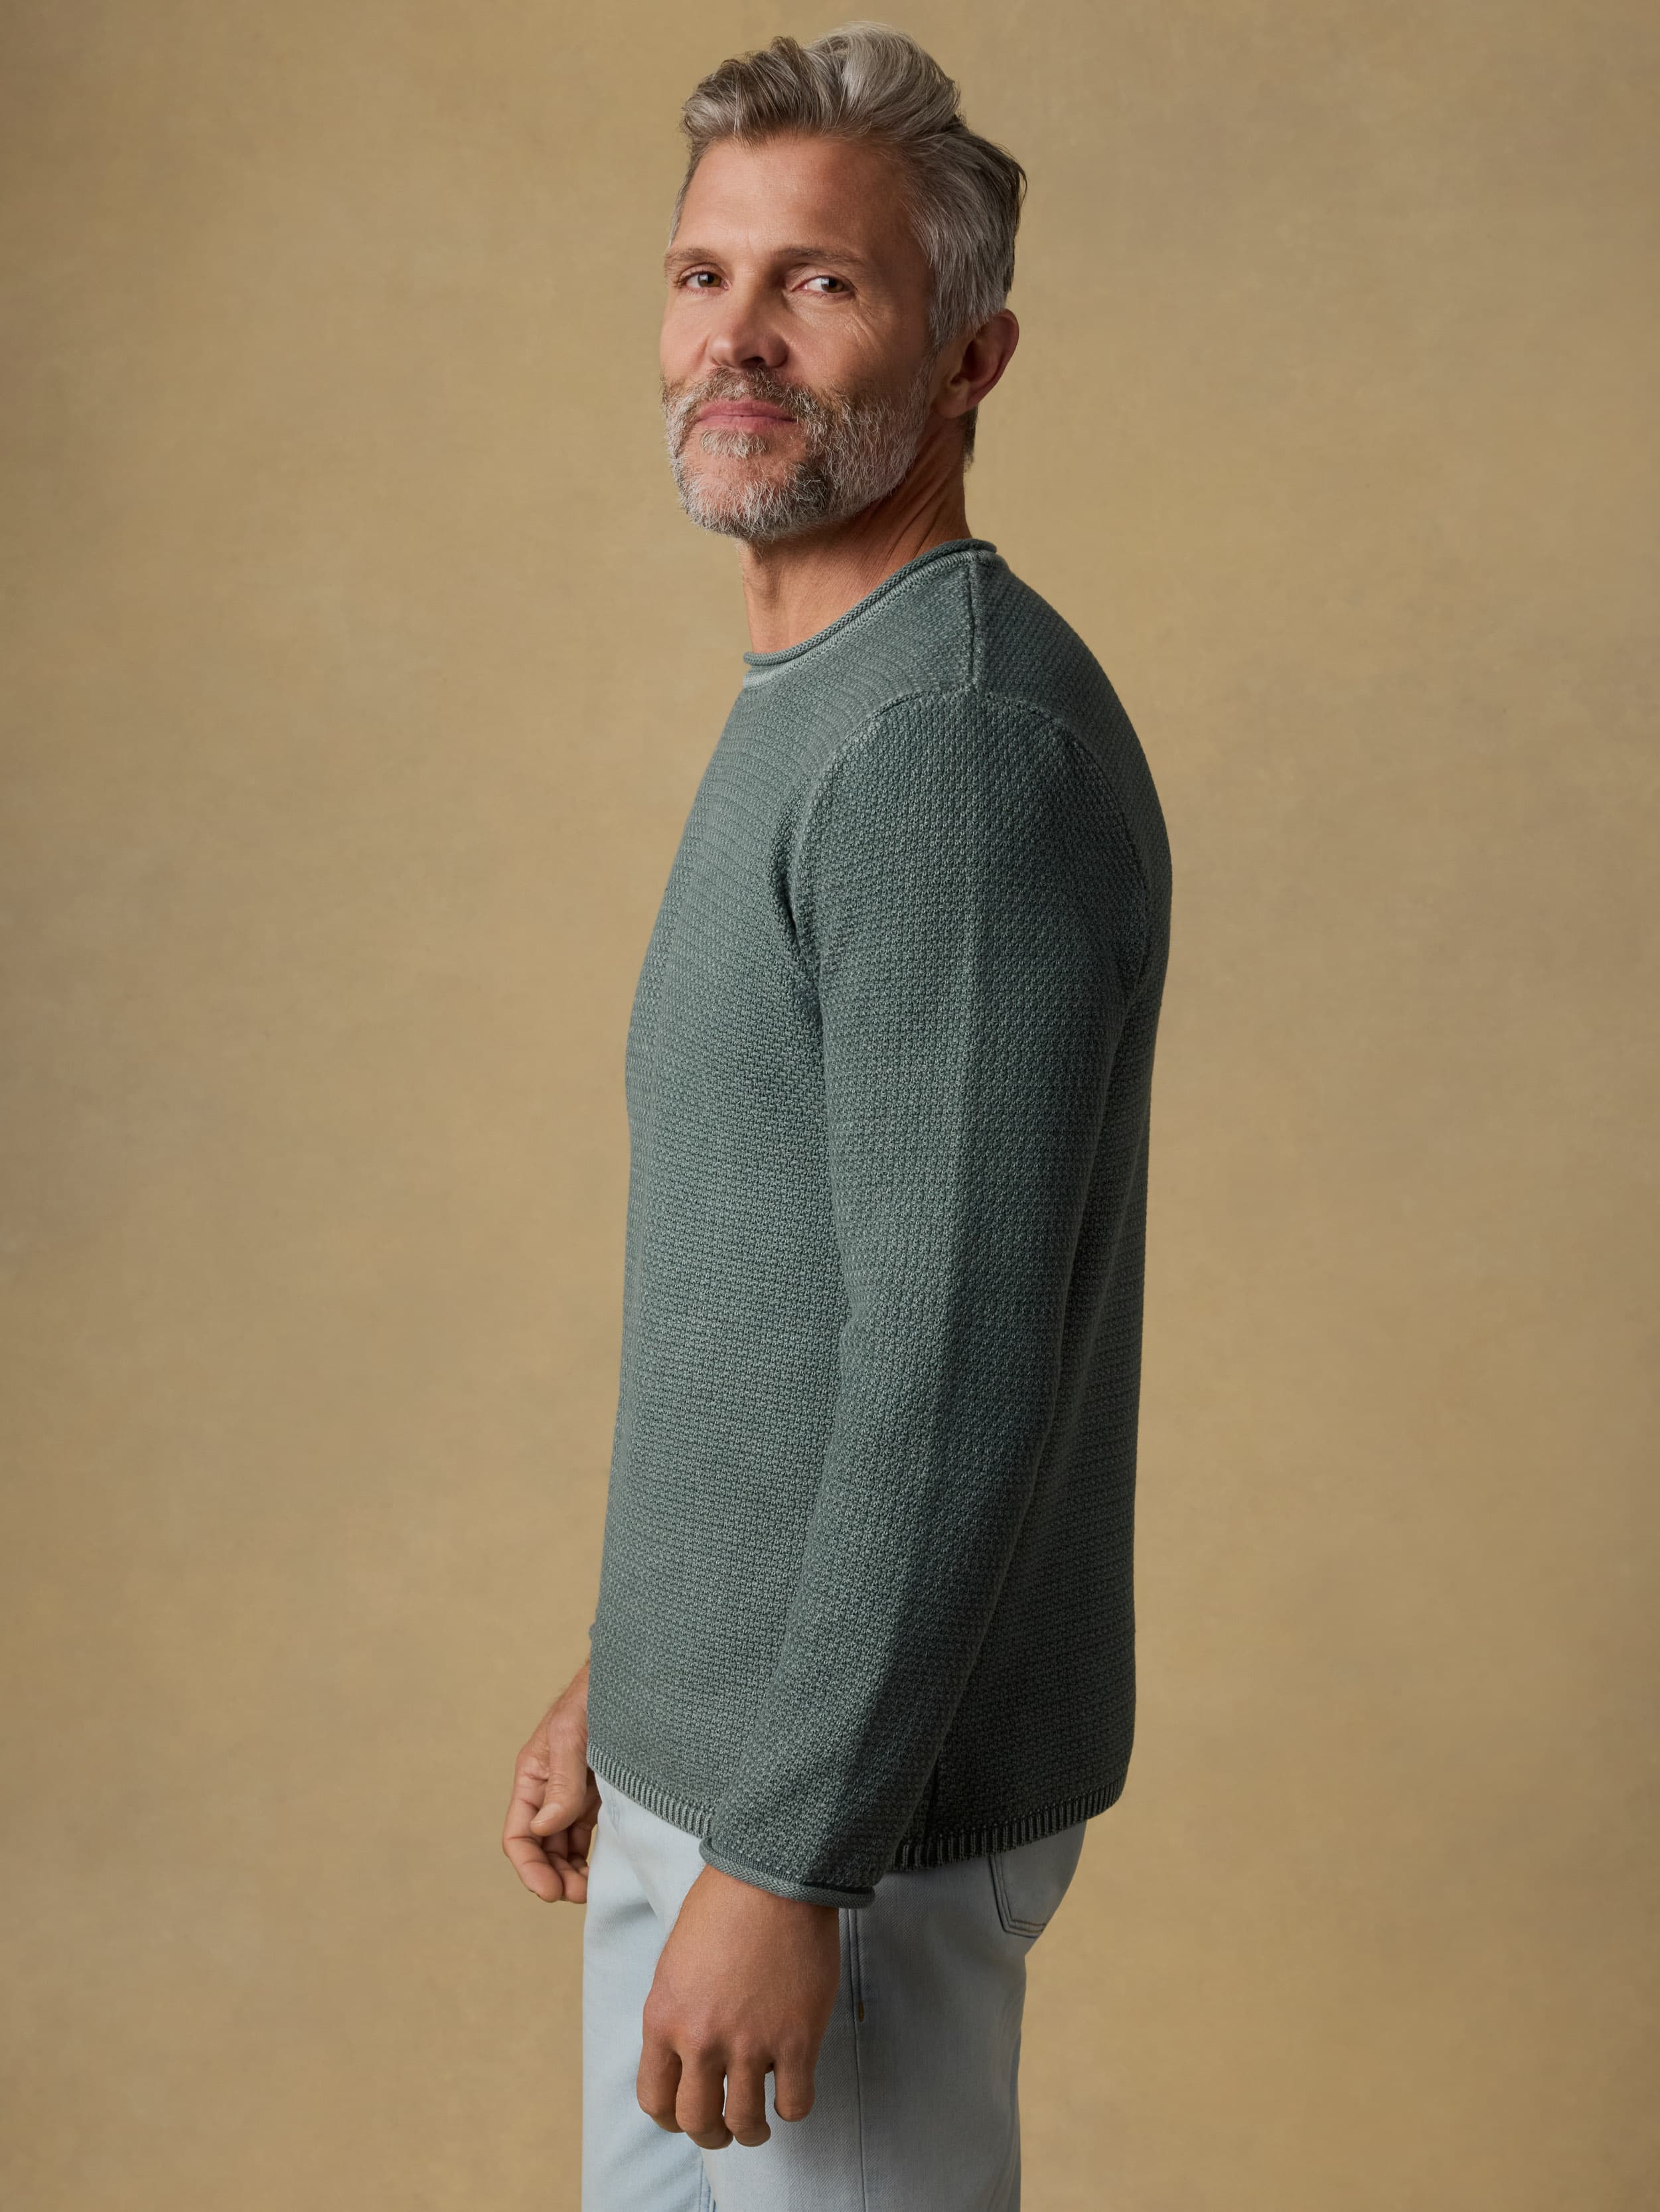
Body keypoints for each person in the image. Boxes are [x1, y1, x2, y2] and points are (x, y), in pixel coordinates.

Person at [501, 23, 1172, 2209]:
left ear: (971, 357)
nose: (739, 338)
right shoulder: (828, 695)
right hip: (724, 1771)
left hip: (850, 1833)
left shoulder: (950, 751)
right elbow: (781, 1288)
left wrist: (791, 1854)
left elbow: (953, 1362)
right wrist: (639, 1677)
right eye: (706, 275)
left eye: (822, 283)